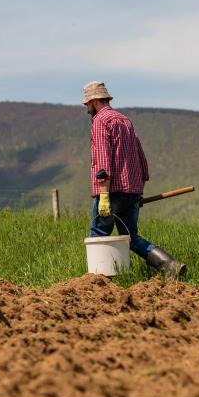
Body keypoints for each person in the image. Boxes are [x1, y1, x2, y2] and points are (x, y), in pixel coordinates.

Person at [83, 81, 186, 278]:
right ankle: (170, 265)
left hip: (111, 192)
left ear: (95, 101)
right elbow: (141, 160)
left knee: (98, 236)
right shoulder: (125, 121)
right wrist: (139, 191)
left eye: (87, 104)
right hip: (132, 191)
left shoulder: (100, 122)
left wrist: (104, 195)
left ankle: (99, 285)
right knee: (130, 238)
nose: (86, 108)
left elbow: (103, 161)